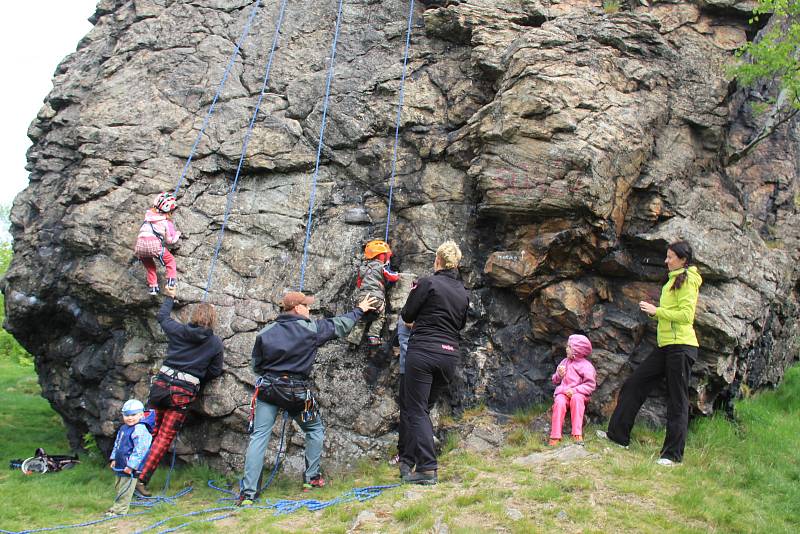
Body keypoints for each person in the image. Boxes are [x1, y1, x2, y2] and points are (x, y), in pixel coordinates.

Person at [238, 291, 379, 504]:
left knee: (259, 436)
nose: (309, 309)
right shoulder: (311, 329)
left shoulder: (265, 332)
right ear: (297, 308)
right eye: (306, 306)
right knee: (314, 430)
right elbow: (339, 325)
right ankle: (311, 478)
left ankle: (248, 494)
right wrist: (360, 309)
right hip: (297, 392)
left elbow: (256, 365)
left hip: (269, 389)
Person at [598, 241, 702, 466]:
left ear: (683, 259)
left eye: (670, 257)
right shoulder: (674, 279)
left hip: (682, 347)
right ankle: (617, 436)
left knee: (677, 400)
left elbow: (686, 315)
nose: (666, 261)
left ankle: (672, 456)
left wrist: (657, 311)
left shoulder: (689, 280)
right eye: (666, 257)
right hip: (666, 346)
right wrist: (657, 312)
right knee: (635, 384)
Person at [137, 285, 224, 490]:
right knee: (164, 436)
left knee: (148, 429)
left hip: (161, 386)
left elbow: (162, 317)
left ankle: (129, 472)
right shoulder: (215, 343)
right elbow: (215, 370)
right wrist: (198, 376)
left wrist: (170, 297)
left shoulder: (180, 331)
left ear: (194, 317)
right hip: (183, 392)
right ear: (213, 320)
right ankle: (141, 479)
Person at [400, 241, 469, 485]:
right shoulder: (462, 291)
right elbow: (459, 325)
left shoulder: (428, 282)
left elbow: (407, 314)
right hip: (449, 356)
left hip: (424, 351)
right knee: (421, 410)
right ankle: (408, 463)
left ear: (437, 261)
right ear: (456, 264)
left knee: (416, 409)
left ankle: (427, 468)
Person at [346, 240, 399, 349]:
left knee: (361, 318)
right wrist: (396, 274)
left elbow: (359, 284)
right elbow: (392, 276)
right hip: (376, 297)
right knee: (380, 316)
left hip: (362, 298)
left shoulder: (364, 268)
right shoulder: (382, 267)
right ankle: (373, 337)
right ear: (381, 256)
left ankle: (353, 340)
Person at [106, 399, 154, 516]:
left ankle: (120, 511)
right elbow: (118, 444)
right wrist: (114, 458)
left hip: (130, 467)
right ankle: (116, 506)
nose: (130, 418)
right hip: (120, 463)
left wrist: (131, 465)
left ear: (141, 415)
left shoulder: (140, 429)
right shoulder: (123, 429)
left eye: (133, 415)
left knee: (125, 489)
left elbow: (140, 450)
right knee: (118, 486)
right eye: (126, 415)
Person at [549, 334, 596, 446]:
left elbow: (590, 385)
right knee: (559, 402)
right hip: (563, 392)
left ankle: (577, 433)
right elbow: (554, 380)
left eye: (569, 347)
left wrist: (575, 390)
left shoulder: (586, 366)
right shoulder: (564, 362)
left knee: (577, 400)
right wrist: (559, 375)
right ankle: (555, 435)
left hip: (579, 394)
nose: (566, 349)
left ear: (578, 350)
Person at [135, 192, 181, 296]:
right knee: (170, 261)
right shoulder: (166, 223)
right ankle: (170, 283)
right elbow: (170, 240)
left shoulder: (148, 216)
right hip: (153, 245)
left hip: (140, 247)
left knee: (150, 267)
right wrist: (177, 234)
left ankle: (153, 287)